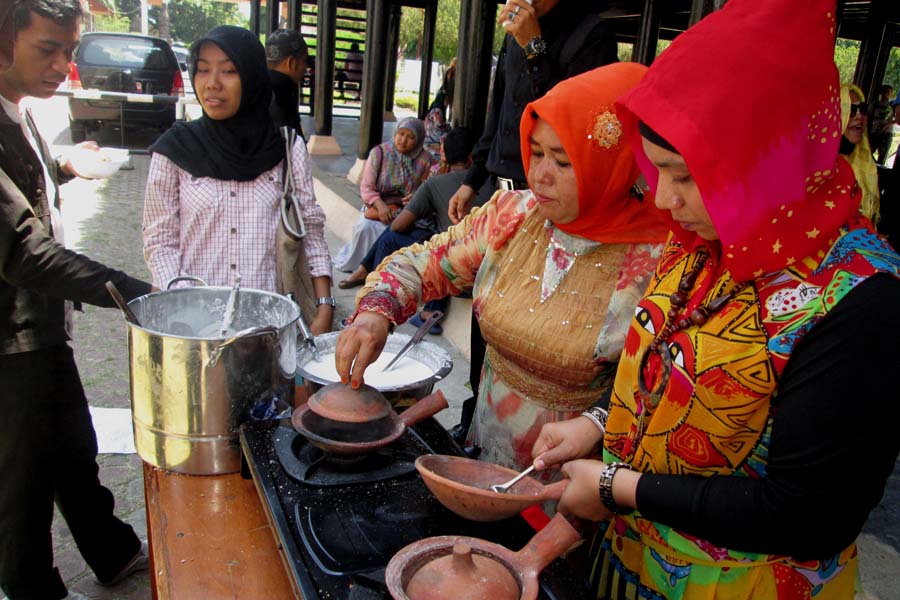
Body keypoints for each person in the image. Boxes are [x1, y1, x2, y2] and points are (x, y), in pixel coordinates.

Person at [530, 1, 900, 598]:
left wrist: (617, 488)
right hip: (628, 565)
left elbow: (810, 514)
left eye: (684, 175)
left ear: (766, 157)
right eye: (657, 173)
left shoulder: (859, 300)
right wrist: (599, 424)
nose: (664, 202)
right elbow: (673, 371)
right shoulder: (707, 237)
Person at [335, 63, 670, 475]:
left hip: (575, 475)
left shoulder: (660, 257)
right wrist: (375, 312)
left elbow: (660, 384)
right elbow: (423, 264)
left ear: (614, 162)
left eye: (563, 162)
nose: (540, 175)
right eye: (538, 152)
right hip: (487, 444)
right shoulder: (512, 215)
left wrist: (598, 421)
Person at [0, 1, 153, 597]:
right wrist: (132, 292)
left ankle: (112, 553)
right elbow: (23, 252)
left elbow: (21, 187)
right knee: (23, 481)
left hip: (41, 328)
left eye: (69, 51)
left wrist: (61, 165)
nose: (63, 65)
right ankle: (29, 583)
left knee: (73, 446)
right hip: (10, 339)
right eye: (48, 49)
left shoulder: (20, 112)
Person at [143, 26, 334, 335]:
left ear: (252, 76)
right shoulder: (175, 149)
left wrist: (325, 306)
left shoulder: (286, 147)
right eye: (203, 71)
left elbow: (310, 228)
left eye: (229, 71)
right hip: (196, 329)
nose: (212, 84)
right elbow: (160, 240)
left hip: (272, 326)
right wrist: (180, 303)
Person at [334, 117, 432, 282]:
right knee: (366, 227)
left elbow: (427, 189)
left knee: (396, 231)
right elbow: (367, 187)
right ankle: (361, 268)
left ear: (418, 140)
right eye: (401, 134)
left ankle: (376, 272)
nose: (403, 140)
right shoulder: (379, 153)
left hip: (407, 210)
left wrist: (415, 198)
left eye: (410, 137)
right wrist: (380, 206)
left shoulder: (426, 160)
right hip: (378, 205)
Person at [840, 83, 880, 224]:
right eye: (851, 110)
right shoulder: (820, 166)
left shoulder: (867, 164)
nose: (859, 116)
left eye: (862, 109)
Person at [266, 28, 308, 140]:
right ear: (291, 63)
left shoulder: (254, 87)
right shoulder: (283, 93)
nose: (305, 68)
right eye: (304, 61)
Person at [423, 58, 455, 163]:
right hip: (432, 140)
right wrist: (449, 129)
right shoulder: (438, 110)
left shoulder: (439, 104)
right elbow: (439, 126)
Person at [869, 84, 894, 165]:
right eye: (884, 91)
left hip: (887, 134)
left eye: (888, 92)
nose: (886, 94)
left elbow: (897, 120)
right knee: (869, 153)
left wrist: (887, 125)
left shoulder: (893, 105)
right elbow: (869, 116)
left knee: (882, 157)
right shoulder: (875, 104)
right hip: (875, 132)